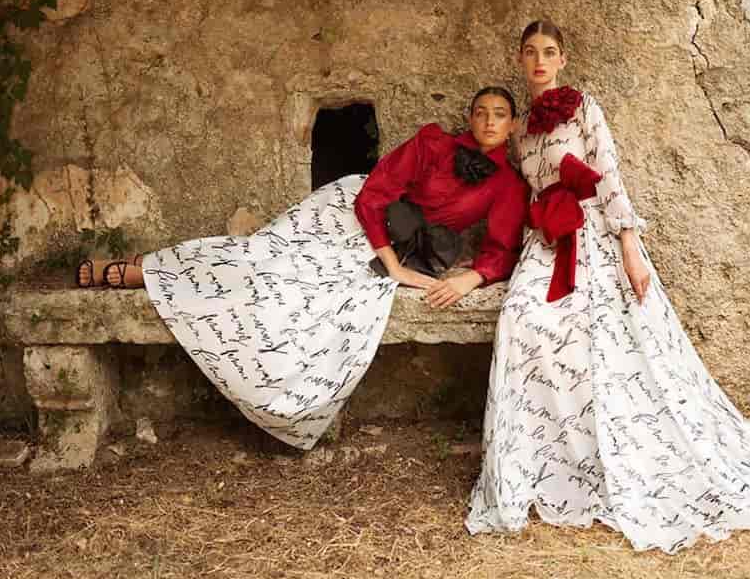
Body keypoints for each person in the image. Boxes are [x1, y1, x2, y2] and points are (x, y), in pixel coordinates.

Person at [465, 21, 750, 553]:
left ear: (562, 59)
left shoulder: (584, 108)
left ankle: (616, 452)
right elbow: (527, 191)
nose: (540, 61)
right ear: (520, 58)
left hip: (595, 233)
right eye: (531, 52)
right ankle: (545, 459)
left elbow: (607, 174)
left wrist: (629, 244)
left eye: (550, 52)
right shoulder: (520, 129)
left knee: (604, 341)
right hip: (548, 240)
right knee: (521, 320)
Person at [76, 87, 529, 449]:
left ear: (512, 126)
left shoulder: (507, 183)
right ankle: (151, 269)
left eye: (499, 115)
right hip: (352, 215)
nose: (489, 122)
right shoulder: (433, 142)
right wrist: (392, 267)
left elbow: (503, 247)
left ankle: (155, 270)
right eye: (481, 113)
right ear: (469, 117)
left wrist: (469, 278)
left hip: (400, 247)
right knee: (260, 257)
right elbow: (374, 194)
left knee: (285, 290)